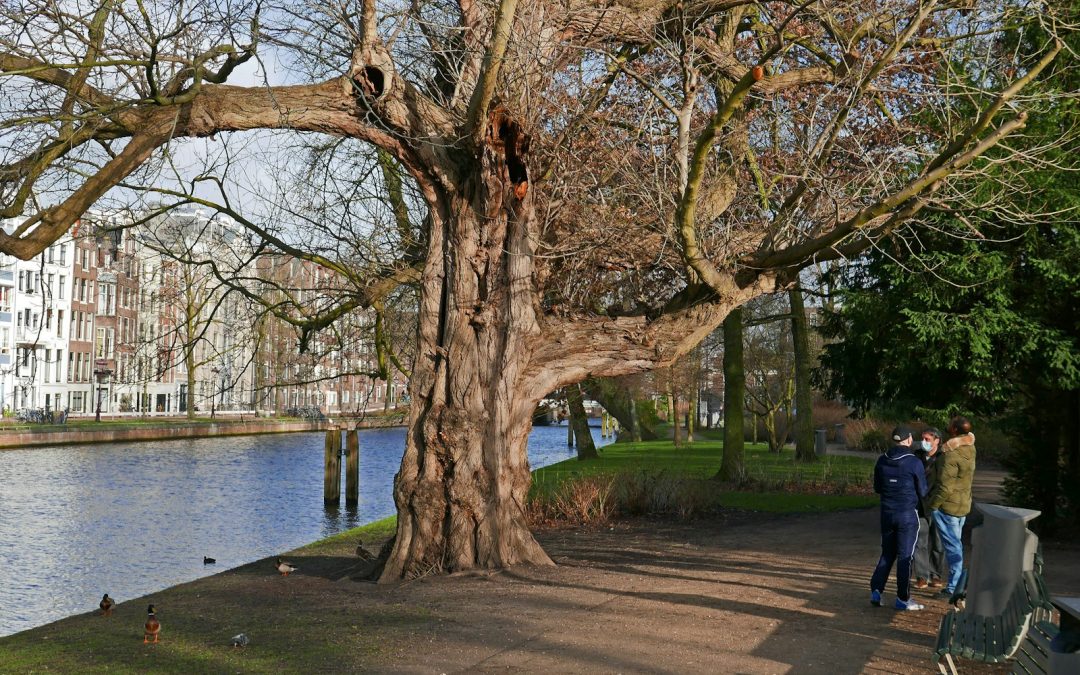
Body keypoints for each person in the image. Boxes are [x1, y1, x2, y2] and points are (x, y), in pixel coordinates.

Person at [870, 425, 928, 611]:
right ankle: (903, 598)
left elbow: (878, 487)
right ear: (909, 440)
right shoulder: (913, 462)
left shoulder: (882, 460)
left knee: (887, 553)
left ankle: (876, 590)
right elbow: (923, 490)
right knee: (906, 556)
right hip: (907, 515)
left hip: (887, 513)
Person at [928, 416, 976, 597]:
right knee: (956, 546)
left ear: (955, 430)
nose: (947, 424)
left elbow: (945, 486)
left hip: (947, 507)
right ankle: (957, 584)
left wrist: (933, 505)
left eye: (951, 424)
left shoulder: (950, 454)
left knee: (953, 548)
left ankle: (953, 588)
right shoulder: (970, 447)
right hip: (963, 503)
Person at [913, 427, 946, 588]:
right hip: (919, 505)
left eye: (928, 439)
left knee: (938, 543)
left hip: (937, 507)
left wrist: (935, 503)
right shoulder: (917, 456)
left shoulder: (943, 458)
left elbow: (943, 484)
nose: (924, 442)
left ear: (937, 441)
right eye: (923, 439)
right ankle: (921, 576)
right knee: (920, 542)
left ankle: (936, 574)